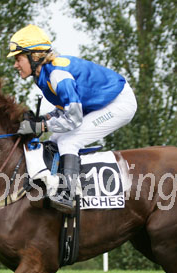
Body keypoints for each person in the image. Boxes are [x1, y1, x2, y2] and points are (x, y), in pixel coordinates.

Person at [8, 24, 137, 214]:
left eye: (18, 59)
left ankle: (68, 194)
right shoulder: (43, 74)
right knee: (54, 140)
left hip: (119, 103)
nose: (15, 65)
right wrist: (43, 119)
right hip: (98, 103)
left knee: (69, 141)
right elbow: (64, 109)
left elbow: (73, 119)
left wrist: (42, 126)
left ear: (34, 57)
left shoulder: (57, 75)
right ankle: (53, 186)